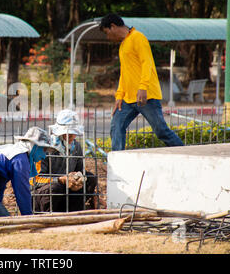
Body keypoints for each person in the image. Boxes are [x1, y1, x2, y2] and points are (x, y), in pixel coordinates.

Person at [99, 13, 184, 151]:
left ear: (113, 26)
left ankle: (184, 152)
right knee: (116, 126)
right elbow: (124, 73)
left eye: (107, 32)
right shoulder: (123, 46)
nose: (108, 37)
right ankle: (118, 162)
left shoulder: (137, 37)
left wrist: (143, 87)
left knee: (161, 131)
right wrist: (119, 96)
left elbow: (147, 63)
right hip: (127, 99)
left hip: (146, 96)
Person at [32, 109, 98, 212]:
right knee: (55, 187)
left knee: (90, 178)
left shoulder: (76, 147)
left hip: (67, 190)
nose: (70, 135)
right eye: (67, 132)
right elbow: (35, 180)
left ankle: (74, 213)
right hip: (43, 195)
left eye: (73, 132)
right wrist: (60, 179)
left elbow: (81, 170)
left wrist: (78, 179)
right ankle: (49, 217)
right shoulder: (46, 148)